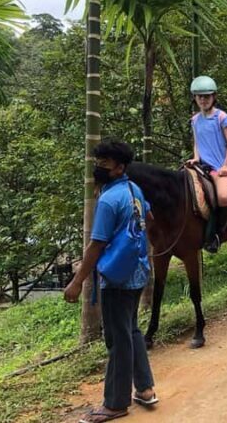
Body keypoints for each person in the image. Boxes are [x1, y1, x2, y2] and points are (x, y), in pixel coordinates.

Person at [64, 139, 157, 423]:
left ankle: (115, 403)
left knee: (118, 339)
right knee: (131, 330)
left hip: (117, 278)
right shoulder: (134, 189)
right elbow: (149, 218)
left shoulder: (108, 199)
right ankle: (145, 388)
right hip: (139, 270)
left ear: (119, 167)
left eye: (104, 163)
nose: (99, 167)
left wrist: (77, 282)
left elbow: (96, 246)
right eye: (98, 161)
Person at [187, 75, 227, 253]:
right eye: (199, 96)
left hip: (219, 167)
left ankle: (217, 233)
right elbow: (197, 142)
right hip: (202, 166)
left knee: (223, 197)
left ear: (213, 97)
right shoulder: (194, 120)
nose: (203, 100)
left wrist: (226, 165)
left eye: (206, 96)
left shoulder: (222, 117)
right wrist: (196, 157)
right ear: (195, 98)